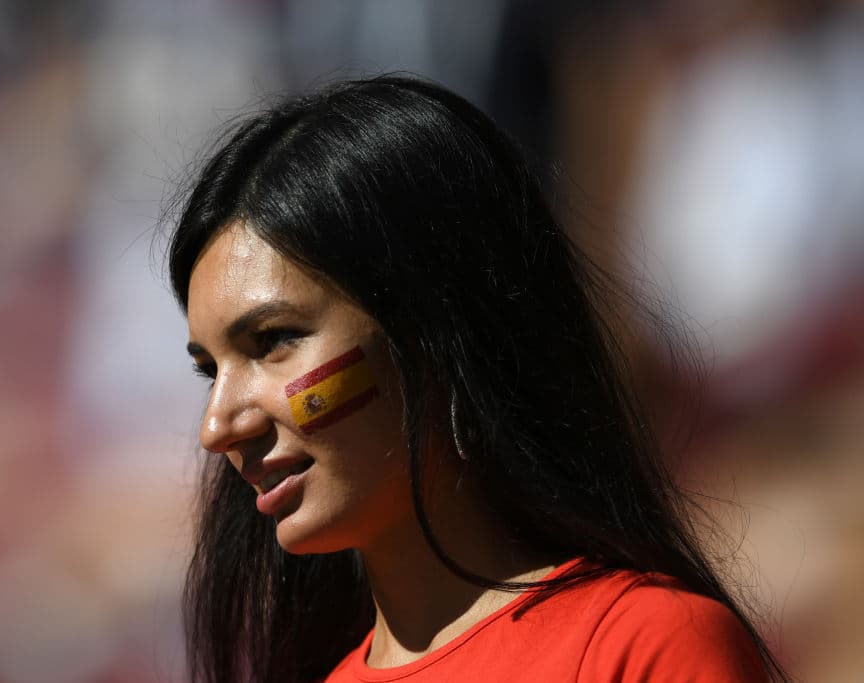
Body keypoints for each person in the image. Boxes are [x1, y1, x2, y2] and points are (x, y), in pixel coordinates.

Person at [167, 76, 787, 682]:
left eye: (274, 340)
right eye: (208, 369)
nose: (217, 427)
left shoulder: (643, 644)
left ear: (437, 330)